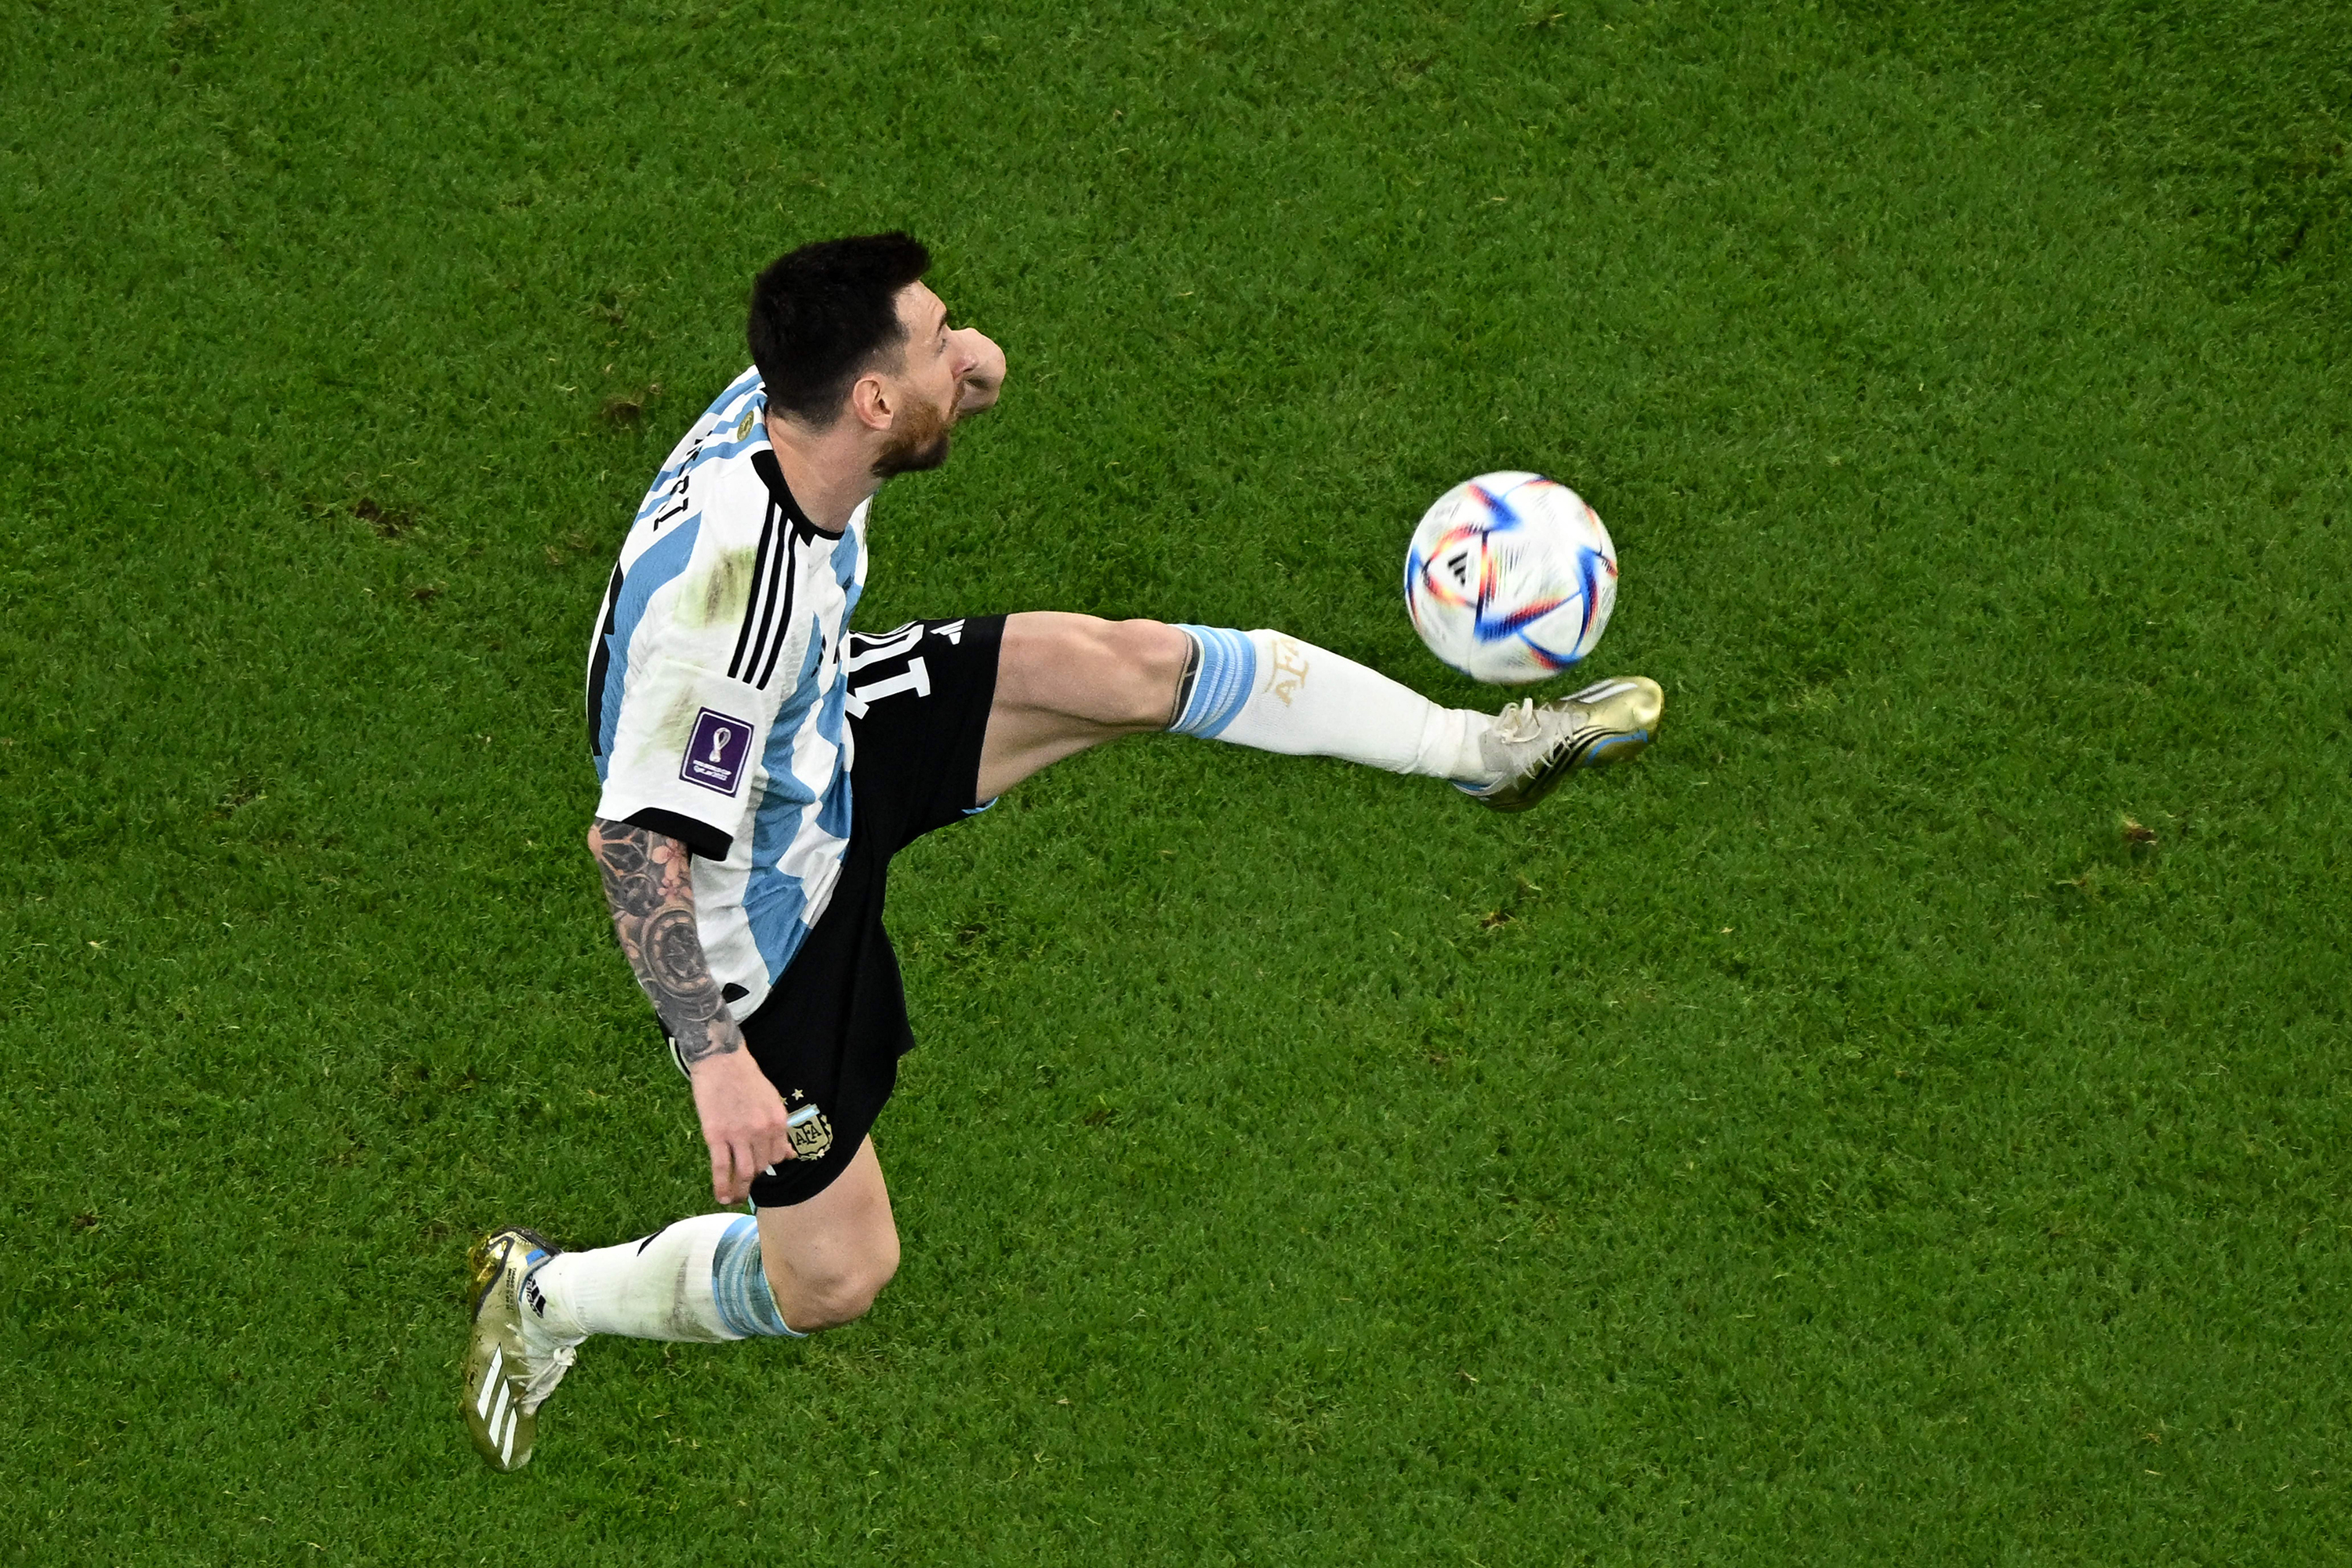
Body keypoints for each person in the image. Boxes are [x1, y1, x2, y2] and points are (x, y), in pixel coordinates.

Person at [463, 233, 1664, 1471]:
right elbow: (635, 841)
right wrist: (716, 1060)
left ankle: (1485, 751)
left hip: (815, 732)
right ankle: (544, 1297)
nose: (966, 346)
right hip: (758, 924)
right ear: (871, 399)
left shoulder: (792, 408)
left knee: (1129, 667)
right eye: (936, 339)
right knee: (837, 1275)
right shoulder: (726, 605)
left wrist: (949, 374)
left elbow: (906, 403)